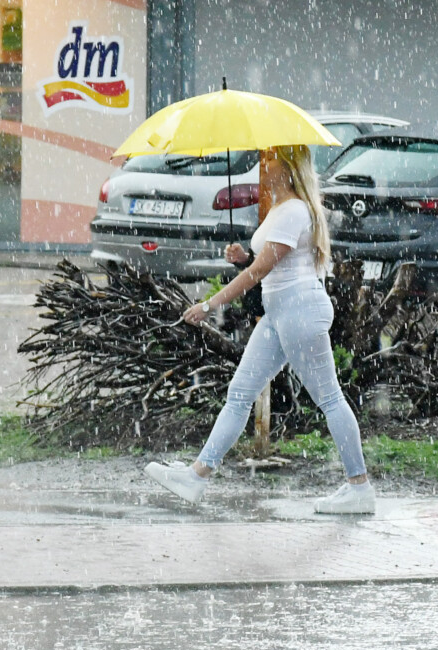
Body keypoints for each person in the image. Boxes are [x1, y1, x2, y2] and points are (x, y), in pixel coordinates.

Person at [144, 145, 375, 514]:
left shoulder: (295, 209)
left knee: (329, 398)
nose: (262, 166)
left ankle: (359, 488)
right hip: (279, 313)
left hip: (300, 311)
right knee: (240, 393)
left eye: (269, 160)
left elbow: (259, 273)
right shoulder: (282, 210)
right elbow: (265, 264)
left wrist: (209, 305)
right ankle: (197, 477)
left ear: (287, 166)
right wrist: (243, 258)